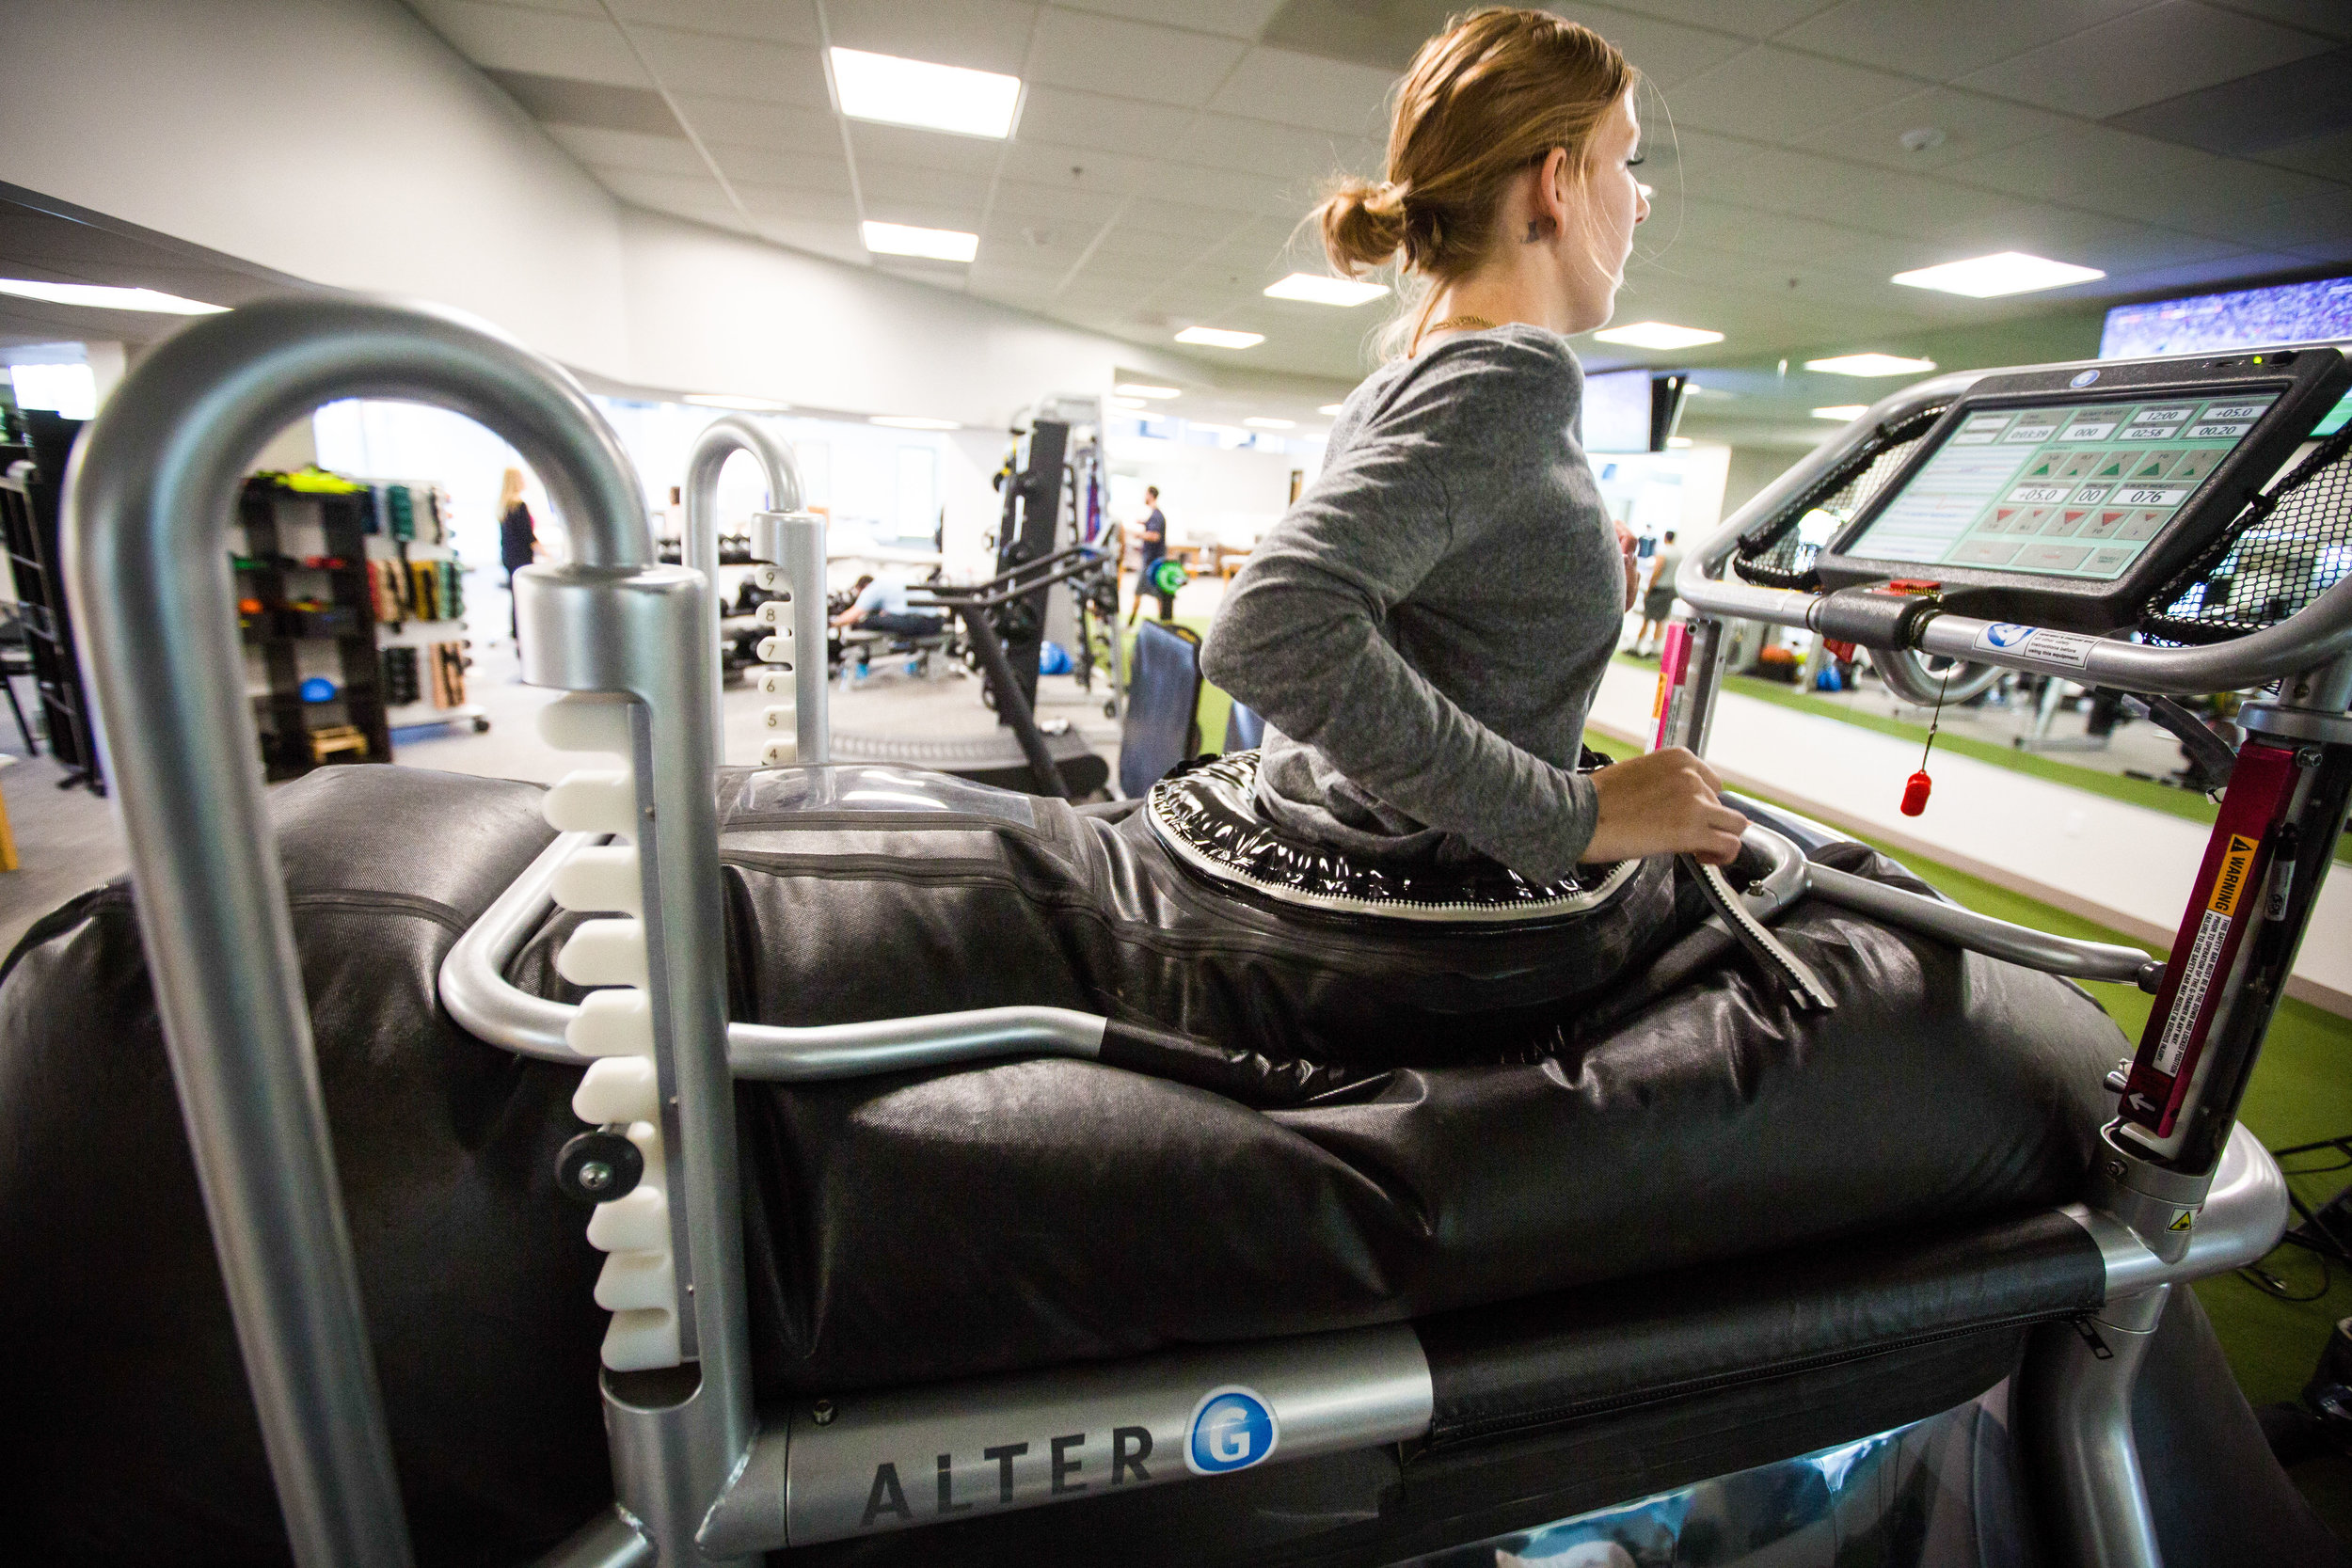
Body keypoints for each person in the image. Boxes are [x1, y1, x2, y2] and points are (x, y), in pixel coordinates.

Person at [1201, 8, 1744, 889]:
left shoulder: (1400, 379)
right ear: (1557, 183)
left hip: (1327, 846)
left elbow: (1419, 627)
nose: (1641, 200)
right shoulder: (1514, 375)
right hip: (1420, 904)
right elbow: (1269, 629)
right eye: (1628, 162)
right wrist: (1574, 814)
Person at [497, 467, 540, 645]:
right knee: (522, 594)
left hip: (509, 556)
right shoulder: (518, 506)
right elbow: (527, 536)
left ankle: (517, 630)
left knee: (516, 594)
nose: (525, 482)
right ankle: (522, 630)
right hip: (521, 557)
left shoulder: (504, 506)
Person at [830, 570, 943, 638]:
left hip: (923, 621)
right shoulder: (888, 582)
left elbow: (854, 614)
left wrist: (831, 623)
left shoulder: (873, 588)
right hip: (935, 621)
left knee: (866, 621)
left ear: (863, 587)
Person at [1631, 529, 1682, 656]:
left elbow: (1657, 571)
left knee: (1647, 618)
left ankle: (1636, 647)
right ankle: (1653, 650)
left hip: (1658, 589)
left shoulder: (1663, 552)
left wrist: (1649, 588)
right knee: (1660, 621)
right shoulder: (1679, 554)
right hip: (1670, 590)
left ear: (1666, 537)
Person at [1136, 484, 1175, 622]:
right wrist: (1144, 524)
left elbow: (1155, 536)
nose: (1144, 496)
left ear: (1151, 495)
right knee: (1156, 595)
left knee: (1141, 592)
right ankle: (1163, 622)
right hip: (1152, 560)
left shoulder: (1157, 516)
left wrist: (1140, 535)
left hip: (1152, 562)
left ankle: (1130, 622)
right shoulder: (1154, 515)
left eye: (1146, 494)